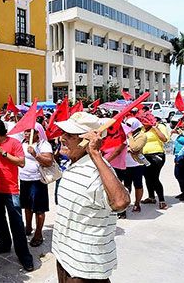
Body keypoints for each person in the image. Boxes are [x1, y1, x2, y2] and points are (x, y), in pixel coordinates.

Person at [52, 112, 130, 283]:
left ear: (87, 141)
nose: (61, 138)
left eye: (70, 135)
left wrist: (95, 154)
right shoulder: (73, 163)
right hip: (65, 255)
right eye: (63, 133)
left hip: (85, 267)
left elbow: (121, 202)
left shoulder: (97, 171)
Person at [0, 118, 34, 271]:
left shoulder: (14, 143)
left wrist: (4, 153)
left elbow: (21, 162)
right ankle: (4, 244)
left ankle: (24, 255)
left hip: (11, 190)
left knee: (17, 223)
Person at [19, 124, 53, 247]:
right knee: (27, 206)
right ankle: (28, 228)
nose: (26, 134)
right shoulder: (22, 143)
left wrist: (35, 154)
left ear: (37, 133)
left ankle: (38, 233)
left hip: (37, 180)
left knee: (39, 208)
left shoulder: (44, 144)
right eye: (25, 131)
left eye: (29, 131)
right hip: (24, 179)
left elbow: (49, 162)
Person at [140, 112, 169, 209]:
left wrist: (155, 128)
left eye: (145, 121)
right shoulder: (142, 129)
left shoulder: (160, 126)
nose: (143, 123)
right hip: (144, 156)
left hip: (157, 156)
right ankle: (151, 197)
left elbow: (164, 139)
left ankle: (162, 200)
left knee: (154, 178)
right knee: (147, 177)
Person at [125, 118, 147, 212]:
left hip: (136, 164)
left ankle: (137, 204)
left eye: (130, 125)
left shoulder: (142, 136)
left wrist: (129, 137)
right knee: (126, 185)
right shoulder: (125, 133)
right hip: (125, 164)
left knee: (138, 185)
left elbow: (134, 148)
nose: (128, 127)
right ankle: (125, 203)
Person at [173, 127, 184, 201]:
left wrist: (179, 155)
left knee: (183, 175)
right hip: (178, 154)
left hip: (183, 155)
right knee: (178, 175)